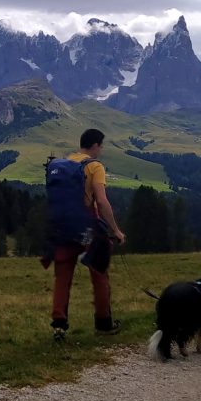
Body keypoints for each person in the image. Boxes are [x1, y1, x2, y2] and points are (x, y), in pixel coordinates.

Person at [48, 128, 126, 340]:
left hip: (63, 226)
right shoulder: (94, 166)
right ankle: (103, 323)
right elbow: (101, 201)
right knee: (99, 272)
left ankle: (59, 325)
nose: (101, 150)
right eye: (101, 146)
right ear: (95, 145)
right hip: (88, 224)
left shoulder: (63, 163)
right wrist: (116, 230)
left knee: (62, 276)